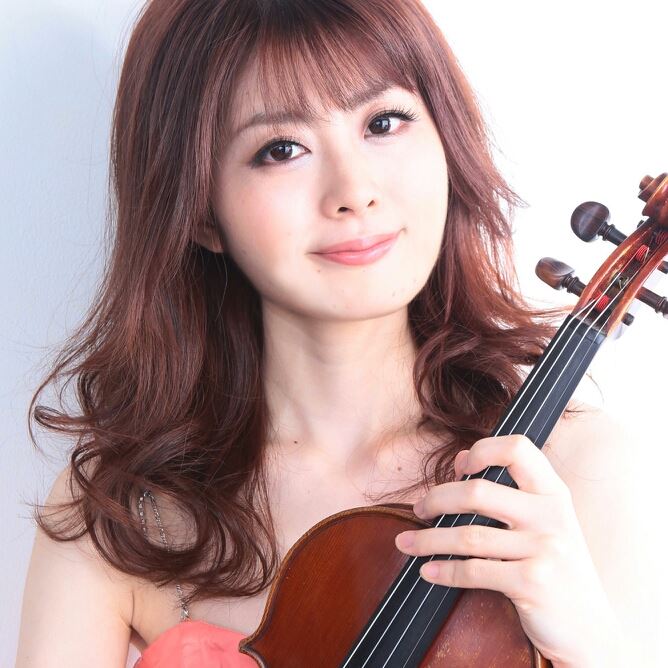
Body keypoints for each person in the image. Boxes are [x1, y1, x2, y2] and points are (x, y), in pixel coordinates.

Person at [16, 0, 649, 666]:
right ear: (200, 210)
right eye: (281, 149)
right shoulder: (124, 512)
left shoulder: (573, 468)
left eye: (383, 122)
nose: (354, 190)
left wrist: (591, 643)